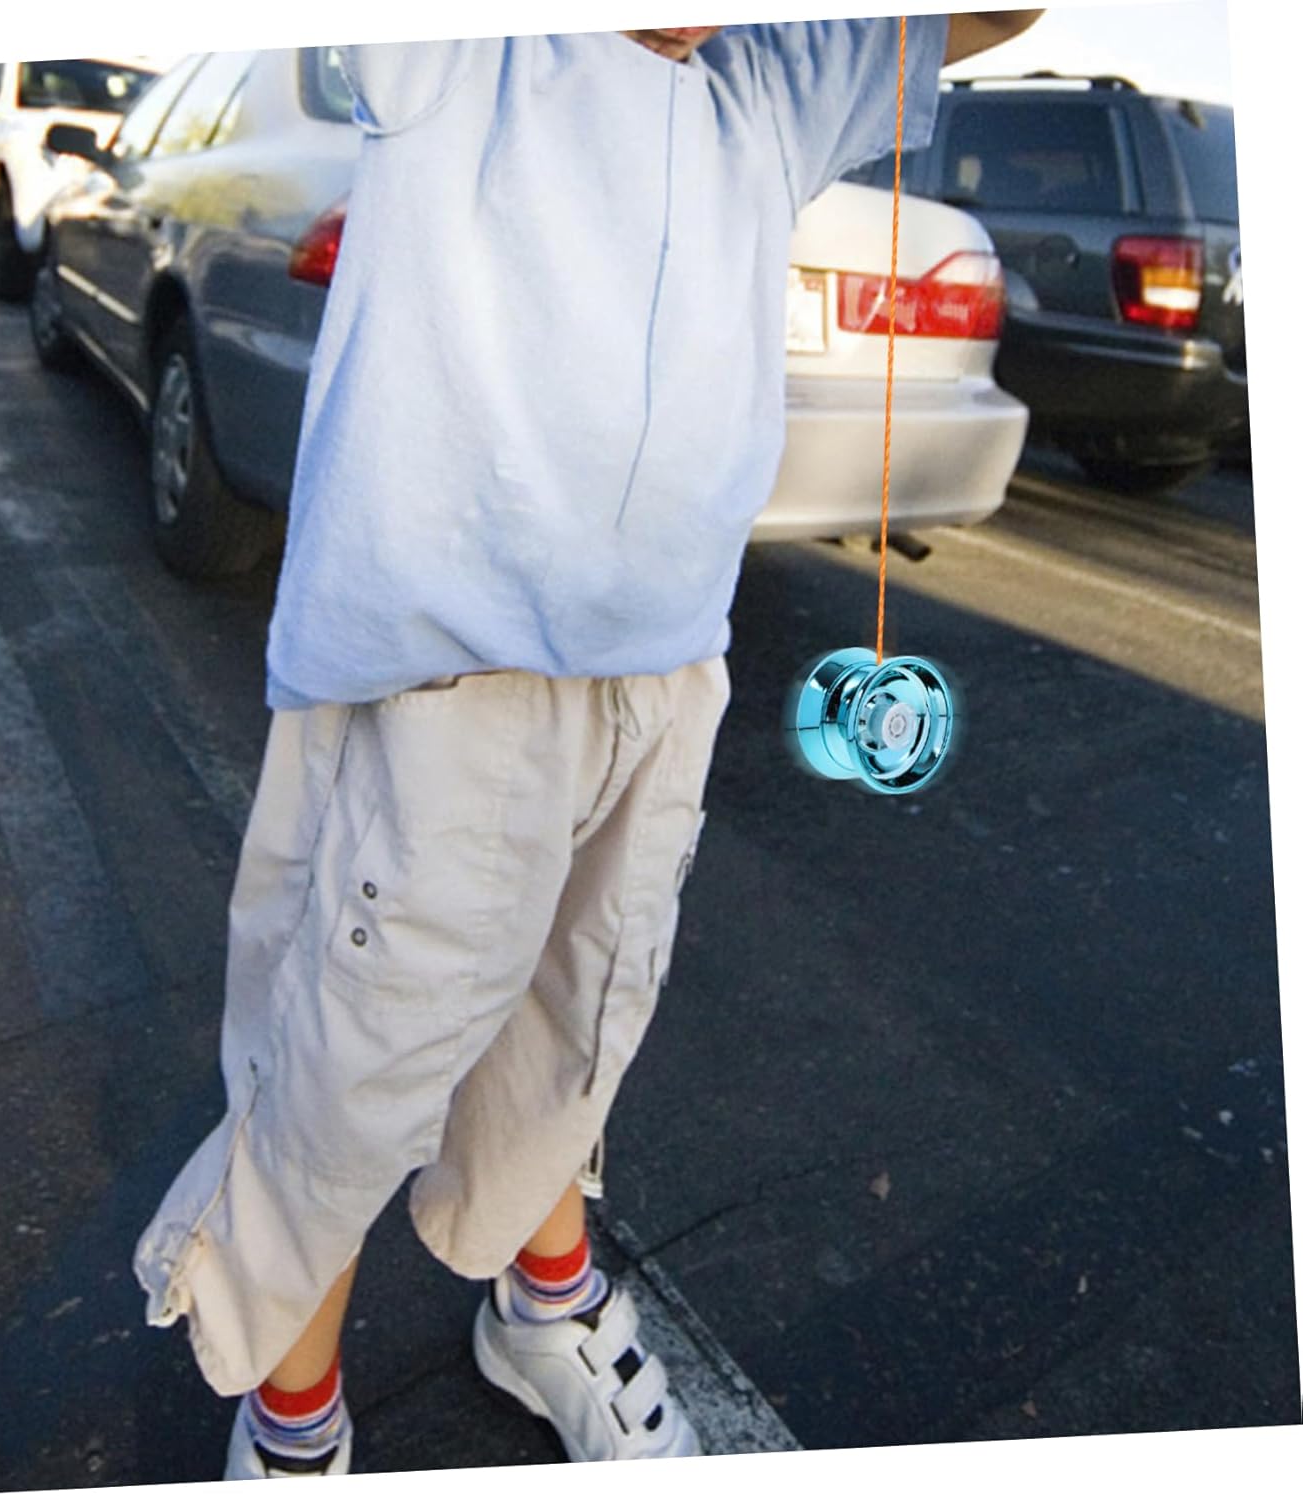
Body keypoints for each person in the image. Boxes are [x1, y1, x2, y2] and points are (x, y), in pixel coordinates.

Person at [133, 11, 1044, 1478]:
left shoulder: (765, 87)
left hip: (663, 674)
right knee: (351, 1069)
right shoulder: (466, 54)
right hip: (446, 684)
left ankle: (545, 1308)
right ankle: (293, 1415)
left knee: (573, 1021)